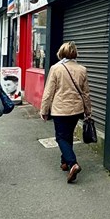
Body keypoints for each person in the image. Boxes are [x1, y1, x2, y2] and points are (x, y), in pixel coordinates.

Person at [40, 41, 91, 183]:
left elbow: (49, 91)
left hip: (60, 109)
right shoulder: (82, 69)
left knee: (61, 138)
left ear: (61, 53)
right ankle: (65, 163)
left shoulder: (56, 69)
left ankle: (73, 163)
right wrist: (88, 111)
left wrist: (44, 109)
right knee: (67, 135)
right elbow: (86, 93)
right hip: (76, 109)